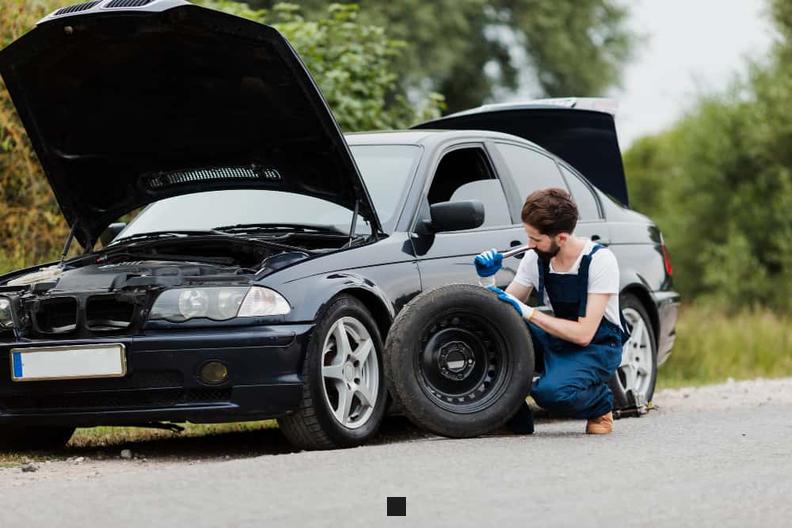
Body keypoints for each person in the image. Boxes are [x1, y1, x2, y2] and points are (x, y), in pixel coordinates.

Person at [474, 188, 629, 435]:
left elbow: (584, 334)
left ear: (562, 238)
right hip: (559, 335)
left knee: (552, 393)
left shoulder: (600, 260)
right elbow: (503, 310)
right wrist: (488, 281)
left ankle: (601, 404)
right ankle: (512, 416)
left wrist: (528, 312)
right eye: (528, 237)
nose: (529, 245)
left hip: (597, 346)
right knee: (494, 329)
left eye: (536, 239)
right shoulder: (536, 257)